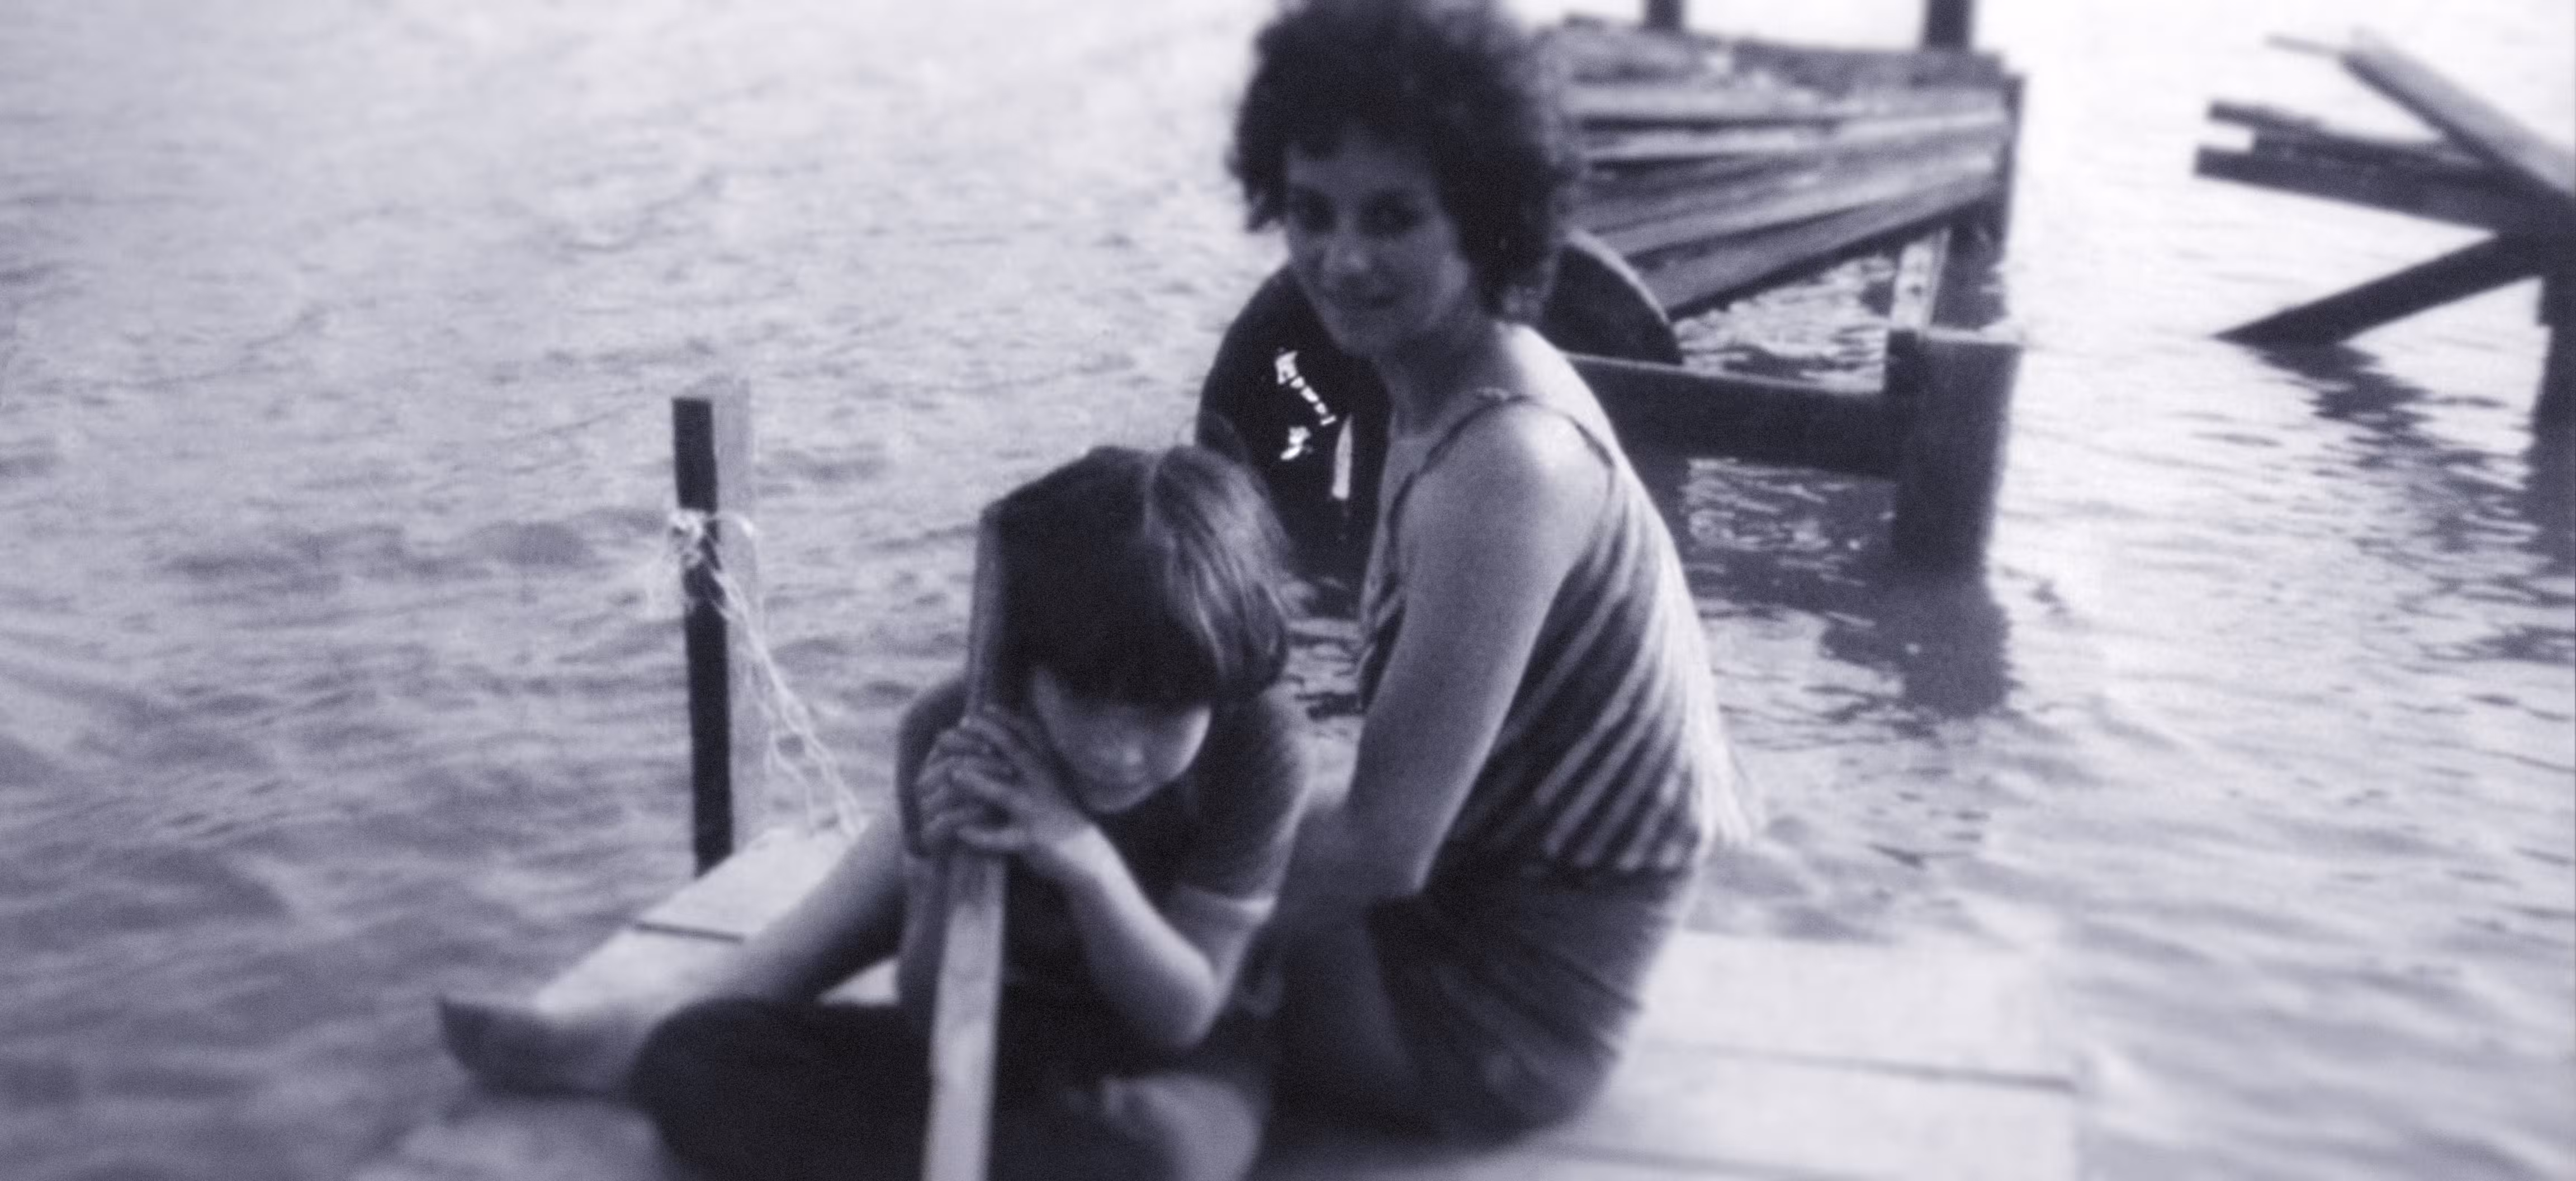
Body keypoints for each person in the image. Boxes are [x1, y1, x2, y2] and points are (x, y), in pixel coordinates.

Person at [439, 445, 1311, 1181]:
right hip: (1011, 1035)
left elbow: (1181, 1016)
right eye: (1085, 696)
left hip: (1175, 1058)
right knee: (693, 1060)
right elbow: (935, 1014)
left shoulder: (1257, 748)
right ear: (1030, 660)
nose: (1120, 749)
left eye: (1162, 712)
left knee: (1159, 1152)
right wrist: (940, 870)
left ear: (1220, 687)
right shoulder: (952, 731)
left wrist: (1078, 855)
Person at [1222, 0, 1763, 1142]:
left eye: (1394, 217)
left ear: (1487, 219)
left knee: (1068, 902)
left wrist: (1165, 910)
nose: (1340, 258)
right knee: (1067, 781)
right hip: (1472, 924)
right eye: (1309, 212)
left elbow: (1379, 850)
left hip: (1489, 1022)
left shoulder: (1505, 468)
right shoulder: (1456, 381)